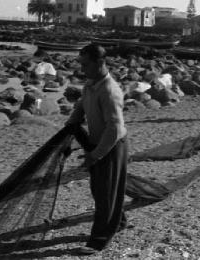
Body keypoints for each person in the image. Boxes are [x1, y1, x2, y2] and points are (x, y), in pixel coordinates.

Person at [65, 44, 128, 255]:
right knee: (101, 190)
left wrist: (96, 154)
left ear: (100, 62)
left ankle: (98, 241)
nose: (82, 69)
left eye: (85, 64)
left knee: (105, 194)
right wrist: (72, 122)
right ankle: (118, 221)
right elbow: (82, 105)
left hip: (111, 146)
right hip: (96, 143)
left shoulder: (110, 90)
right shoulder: (91, 85)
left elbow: (115, 128)